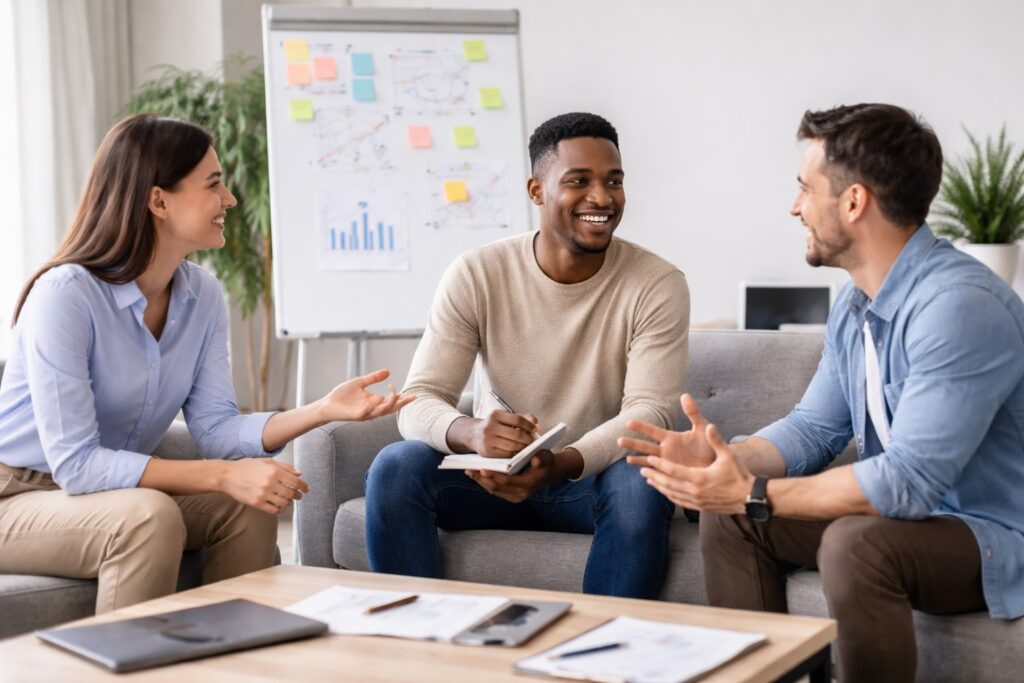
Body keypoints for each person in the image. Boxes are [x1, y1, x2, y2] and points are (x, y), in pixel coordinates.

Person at [620, 103, 1024, 682]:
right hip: (909, 524)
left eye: (805, 189)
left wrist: (754, 490)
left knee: (855, 544)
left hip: (992, 534)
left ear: (854, 201)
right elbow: (813, 427)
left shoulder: (958, 306)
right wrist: (726, 461)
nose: (794, 207)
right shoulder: (856, 306)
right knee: (731, 518)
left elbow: (906, 484)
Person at [0, 114, 412, 613]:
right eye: (214, 184)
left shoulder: (202, 295)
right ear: (158, 201)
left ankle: (232, 660)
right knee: (148, 516)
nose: (231, 200)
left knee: (251, 503)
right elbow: (77, 465)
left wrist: (322, 409)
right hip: (17, 495)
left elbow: (216, 427)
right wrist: (220, 475)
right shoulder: (66, 296)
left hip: (105, 491)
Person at [364, 112, 689, 599]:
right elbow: (420, 398)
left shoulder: (657, 283)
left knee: (639, 479)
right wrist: (470, 432)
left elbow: (651, 411)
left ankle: (607, 657)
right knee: (396, 466)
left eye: (613, 181)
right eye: (579, 181)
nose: (602, 198)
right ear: (537, 191)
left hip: (588, 481)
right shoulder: (477, 273)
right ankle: (415, 646)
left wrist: (559, 464)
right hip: (490, 481)